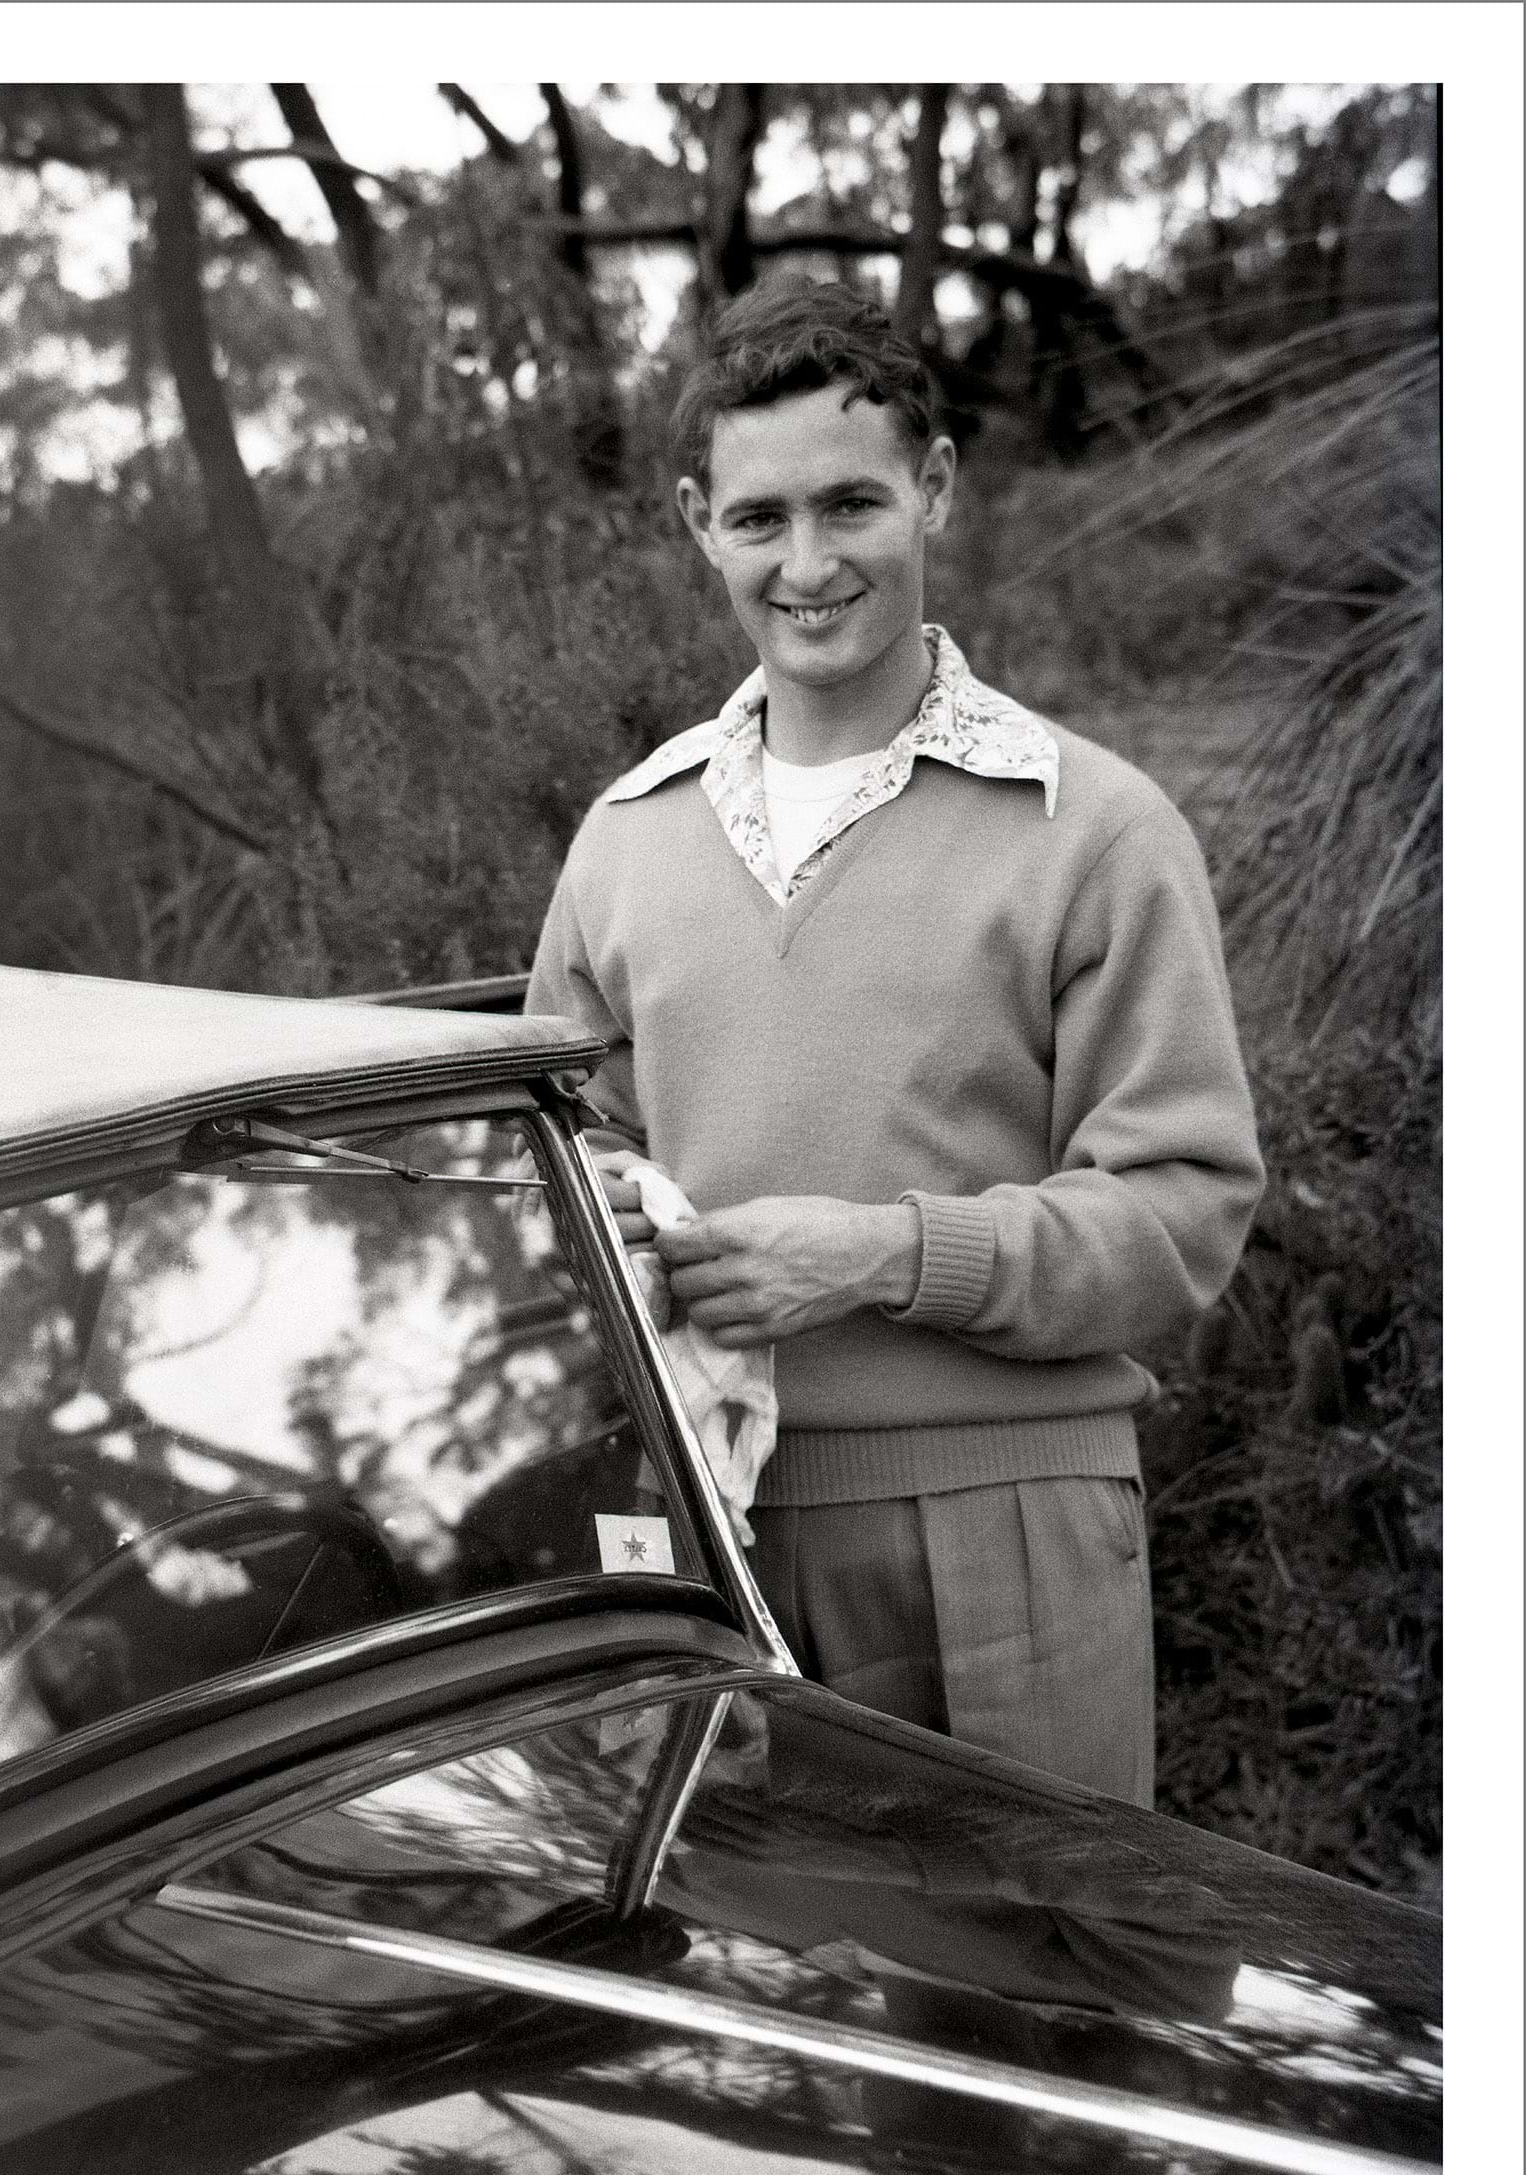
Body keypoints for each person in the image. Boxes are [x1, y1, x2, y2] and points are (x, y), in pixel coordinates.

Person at [525, 276, 1265, 1807]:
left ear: (931, 486)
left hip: (1006, 1529)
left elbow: (1180, 1222)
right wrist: (596, 1212)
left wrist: (875, 1256)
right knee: (721, 1964)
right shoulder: (622, 840)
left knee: (1035, 1960)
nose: (806, 565)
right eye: (759, 518)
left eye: (850, 504)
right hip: (705, 1544)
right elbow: (557, 1165)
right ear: (697, 523)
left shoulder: (1094, 829)